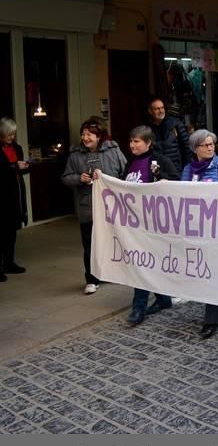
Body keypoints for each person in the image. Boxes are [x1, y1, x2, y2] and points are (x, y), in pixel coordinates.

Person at [181, 129, 218, 338]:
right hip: (198, 229)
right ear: (195, 148)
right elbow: (182, 195)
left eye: (212, 144)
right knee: (208, 271)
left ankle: (211, 319)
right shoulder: (189, 169)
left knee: (212, 272)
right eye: (205, 145)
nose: (210, 147)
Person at [61, 118, 127, 294]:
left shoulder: (113, 151)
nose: (85, 138)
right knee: (89, 245)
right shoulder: (75, 155)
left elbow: (125, 174)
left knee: (113, 242)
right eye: (83, 134)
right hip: (87, 207)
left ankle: (112, 274)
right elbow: (65, 177)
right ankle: (91, 279)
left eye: (89, 134)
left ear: (99, 136)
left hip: (111, 207)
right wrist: (78, 179)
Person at [121, 126, 180, 325]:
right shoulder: (130, 162)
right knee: (144, 263)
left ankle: (138, 308)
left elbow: (176, 182)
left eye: (136, 141)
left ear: (148, 143)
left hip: (154, 223)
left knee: (142, 264)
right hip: (134, 223)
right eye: (131, 141)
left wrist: (161, 176)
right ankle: (163, 299)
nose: (132, 145)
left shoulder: (159, 160)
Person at [0, 118, 29, 281]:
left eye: (13, 134)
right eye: (9, 134)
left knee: (11, 230)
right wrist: (15, 167)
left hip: (15, 192)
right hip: (2, 194)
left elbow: (20, 170)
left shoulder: (17, 148)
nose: (12, 137)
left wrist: (25, 166)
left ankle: (9, 263)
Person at [146, 96, 191, 173]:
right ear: (150, 111)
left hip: (176, 170)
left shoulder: (175, 124)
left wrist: (187, 169)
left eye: (162, 108)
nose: (160, 111)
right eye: (157, 109)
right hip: (158, 171)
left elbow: (186, 148)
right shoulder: (147, 129)